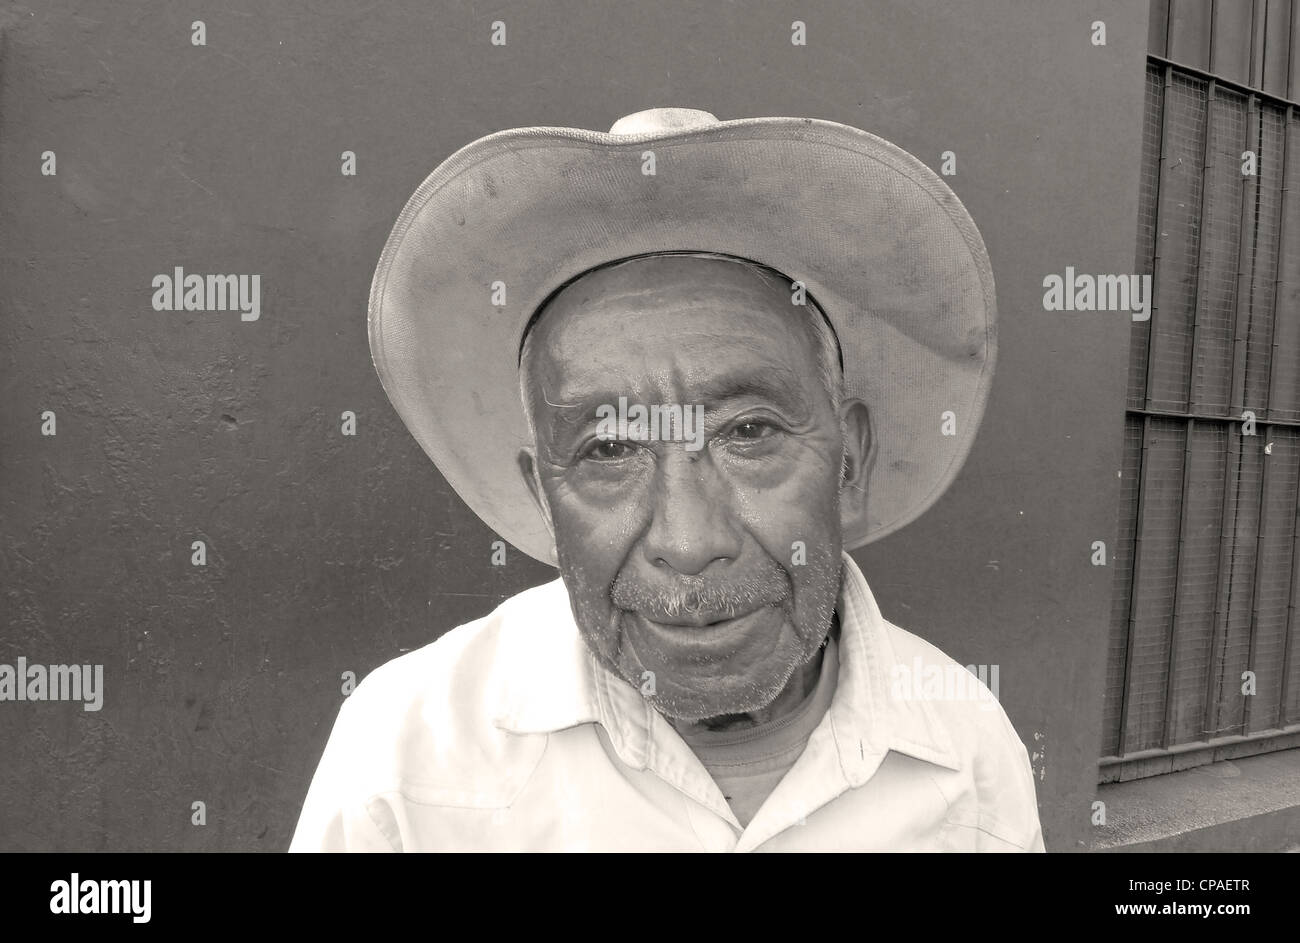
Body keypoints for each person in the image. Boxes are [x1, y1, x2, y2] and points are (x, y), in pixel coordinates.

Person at [290, 108, 1044, 851]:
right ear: (542, 499)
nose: (689, 542)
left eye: (749, 432)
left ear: (850, 456)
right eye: (609, 448)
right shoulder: (401, 766)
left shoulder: (968, 755)